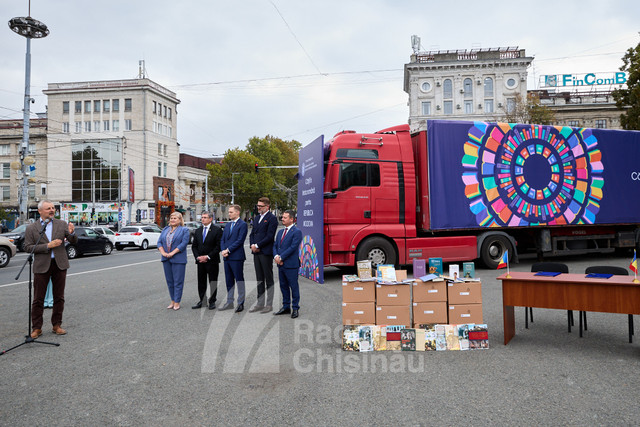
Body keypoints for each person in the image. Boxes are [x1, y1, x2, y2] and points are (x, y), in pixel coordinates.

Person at [23, 200, 77, 338]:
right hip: (41, 265)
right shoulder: (32, 228)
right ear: (40, 211)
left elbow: (73, 240)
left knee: (59, 297)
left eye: (53, 208)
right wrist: (48, 246)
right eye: (48, 208)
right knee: (38, 298)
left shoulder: (61, 224)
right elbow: (28, 247)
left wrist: (72, 232)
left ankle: (56, 325)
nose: (52, 210)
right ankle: (36, 328)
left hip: (59, 264)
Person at [248, 197, 278, 313]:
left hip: (265, 252)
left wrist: (258, 245)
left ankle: (269, 305)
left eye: (260, 206)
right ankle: (260, 303)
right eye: (258, 206)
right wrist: (252, 245)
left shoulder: (272, 219)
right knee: (259, 279)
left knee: (268, 278)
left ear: (267, 206)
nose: (258, 208)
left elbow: (270, 236)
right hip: (256, 252)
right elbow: (252, 234)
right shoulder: (256, 218)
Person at [158, 211, 190, 310]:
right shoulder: (165, 229)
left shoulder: (184, 230)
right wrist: (163, 253)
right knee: (170, 281)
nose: (172, 220)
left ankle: (177, 302)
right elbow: (159, 242)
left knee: (178, 281)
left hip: (178, 259)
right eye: (171, 218)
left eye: (175, 218)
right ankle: (172, 301)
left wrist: (172, 253)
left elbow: (183, 244)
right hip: (166, 258)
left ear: (180, 220)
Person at [273, 210, 303, 319]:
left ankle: (295, 308)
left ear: (292, 219)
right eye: (282, 217)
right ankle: (286, 307)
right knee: (283, 286)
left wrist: (281, 257)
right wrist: (276, 256)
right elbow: (275, 246)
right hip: (280, 264)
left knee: (293, 286)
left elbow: (293, 247)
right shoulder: (280, 232)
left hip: (291, 265)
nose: (282, 219)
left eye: (285, 217)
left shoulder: (297, 232)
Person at [191, 211, 222, 310]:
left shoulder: (217, 230)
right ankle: (202, 300)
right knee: (201, 281)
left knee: (212, 281)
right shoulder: (198, 230)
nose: (202, 219)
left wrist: (208, 256)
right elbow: (194, 246)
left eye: (205, 217)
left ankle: (212, 301)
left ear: (210, 219)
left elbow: (218, 246)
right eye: (202, 217)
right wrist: (198, 257)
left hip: (212, 261)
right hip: (200, 261)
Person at [220, 204, 248, 313]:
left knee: (239, 279)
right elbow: (222, 239)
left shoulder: (243, 225)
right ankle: (229, 301)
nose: (229, 214)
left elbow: (240, 240)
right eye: (229, 212)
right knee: (229, 280)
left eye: (231, 212)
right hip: (226, 257)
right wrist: (223, 250)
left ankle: (241, 302)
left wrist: (228, 250)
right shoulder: (227, 225)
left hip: (236, 257)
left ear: (237, 212)